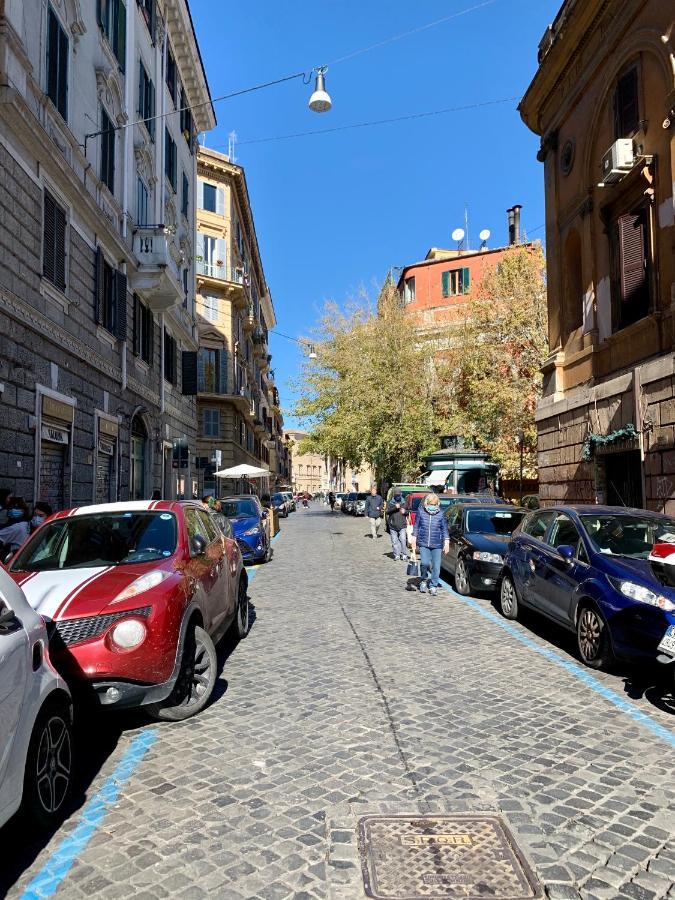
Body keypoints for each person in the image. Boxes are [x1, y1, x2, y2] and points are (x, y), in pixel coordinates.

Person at [411, 492, 449, 596]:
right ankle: (423, 580)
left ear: (437, 504)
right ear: (427, 503)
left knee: (436, 566)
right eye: (430, 504)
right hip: (423, 542)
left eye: (434, 504)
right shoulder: (421, 511)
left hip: (437, 544)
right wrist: (414, 538)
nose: (432, 506)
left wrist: (447, 542)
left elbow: (444, 528)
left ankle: (433, 586)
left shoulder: (441, 513)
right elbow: (416, 525)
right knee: (424, 563)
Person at [386, 492, 408, 560]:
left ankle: (404, 554)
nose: (398, 496)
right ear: (394, 495)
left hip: (402, 525)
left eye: (399, 495)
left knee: (403, 540)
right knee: (394, 541)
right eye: (396, 495)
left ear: (401, 495)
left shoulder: (404, 502)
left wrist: (405, 512)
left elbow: (409, 511)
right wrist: (395, 507)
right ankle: (396, 555)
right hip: (393, 525)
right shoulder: (390, 502)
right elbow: (387, 511)